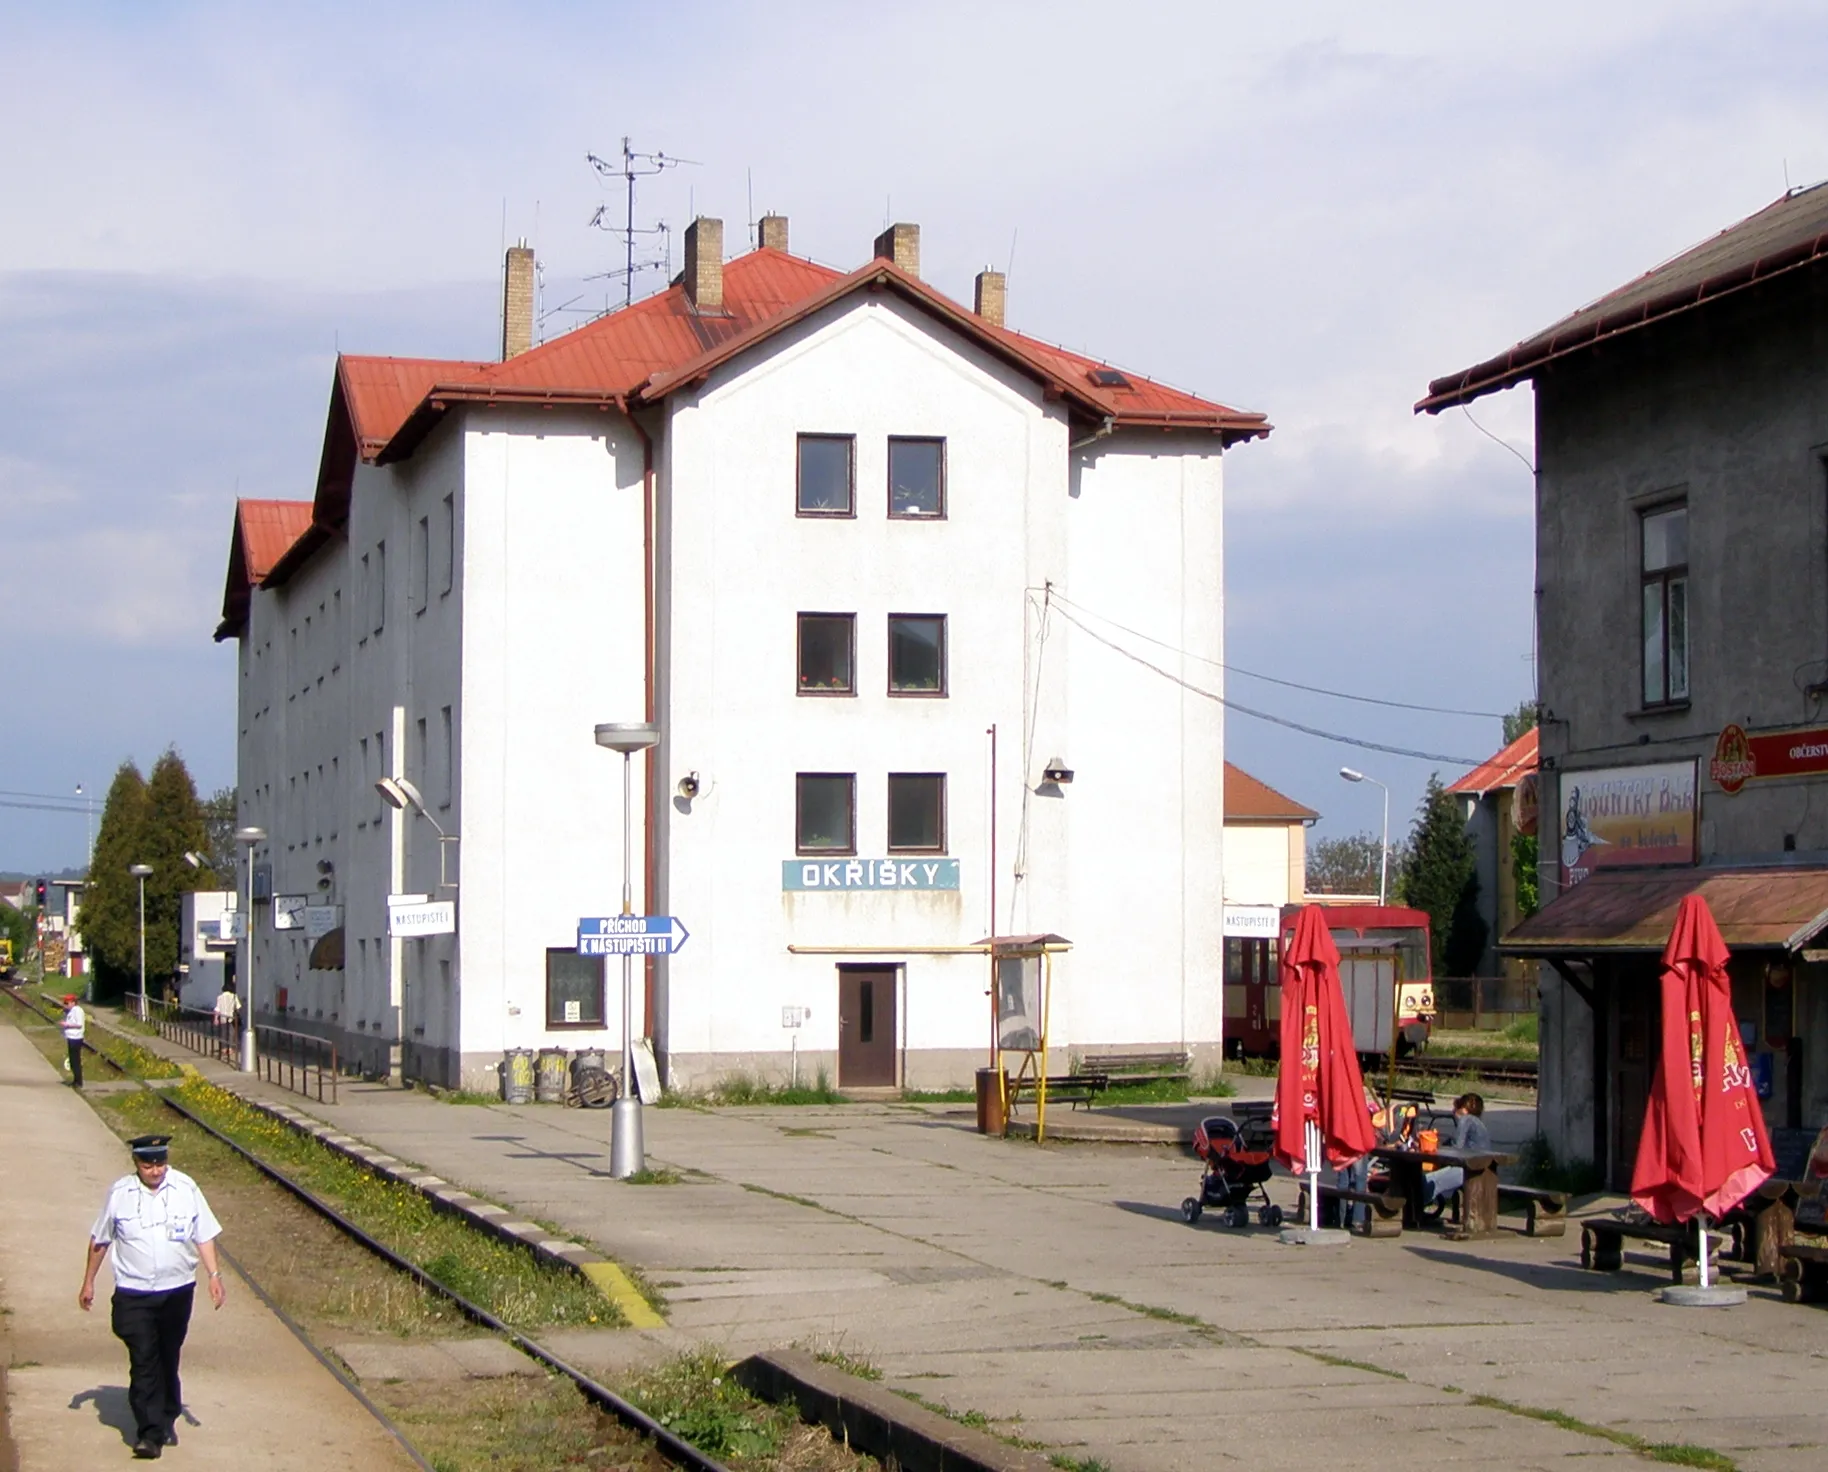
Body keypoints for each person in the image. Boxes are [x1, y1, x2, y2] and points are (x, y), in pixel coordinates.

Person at [79, 1134, 226, 1460]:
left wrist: (214, 1276)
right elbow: (100, 1240)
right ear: (137, 1164)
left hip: (177, 1290)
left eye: (161, 1163)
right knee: (144, 1358)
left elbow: (203, 1235)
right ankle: (149, 1433)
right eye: (149, 1165)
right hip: (134, 1293)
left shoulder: (186, 1189)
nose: (156, 1170)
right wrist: (88, 1282)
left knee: (167, 1354)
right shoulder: (120, 1194)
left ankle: (168, 1411)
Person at [1425, 1093, 1493, 1208]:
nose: (1453, 1112)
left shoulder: (1466, 1120)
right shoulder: (1477, 1123)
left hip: (1469, 1169)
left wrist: (1436, 1147)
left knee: (1429, 1181)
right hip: (1481, 1169)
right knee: (1431, 1178)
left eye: (1455, 1108)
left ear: (1463, 1109)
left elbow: (1457, 1148)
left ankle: (1414, 1211)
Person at [60, 993, 86, 1089]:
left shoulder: (78, 1011)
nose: (65, 1004)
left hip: (76, 1038)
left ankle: (79, 1082)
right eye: (65, 1002)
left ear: (73, 1002)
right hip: (71, 1037)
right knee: (72, 1060)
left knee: (75, 1060)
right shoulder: (71, 1011)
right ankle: (75, 1080)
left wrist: (67, 1025)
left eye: (67, 1002)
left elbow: (79, 1024)